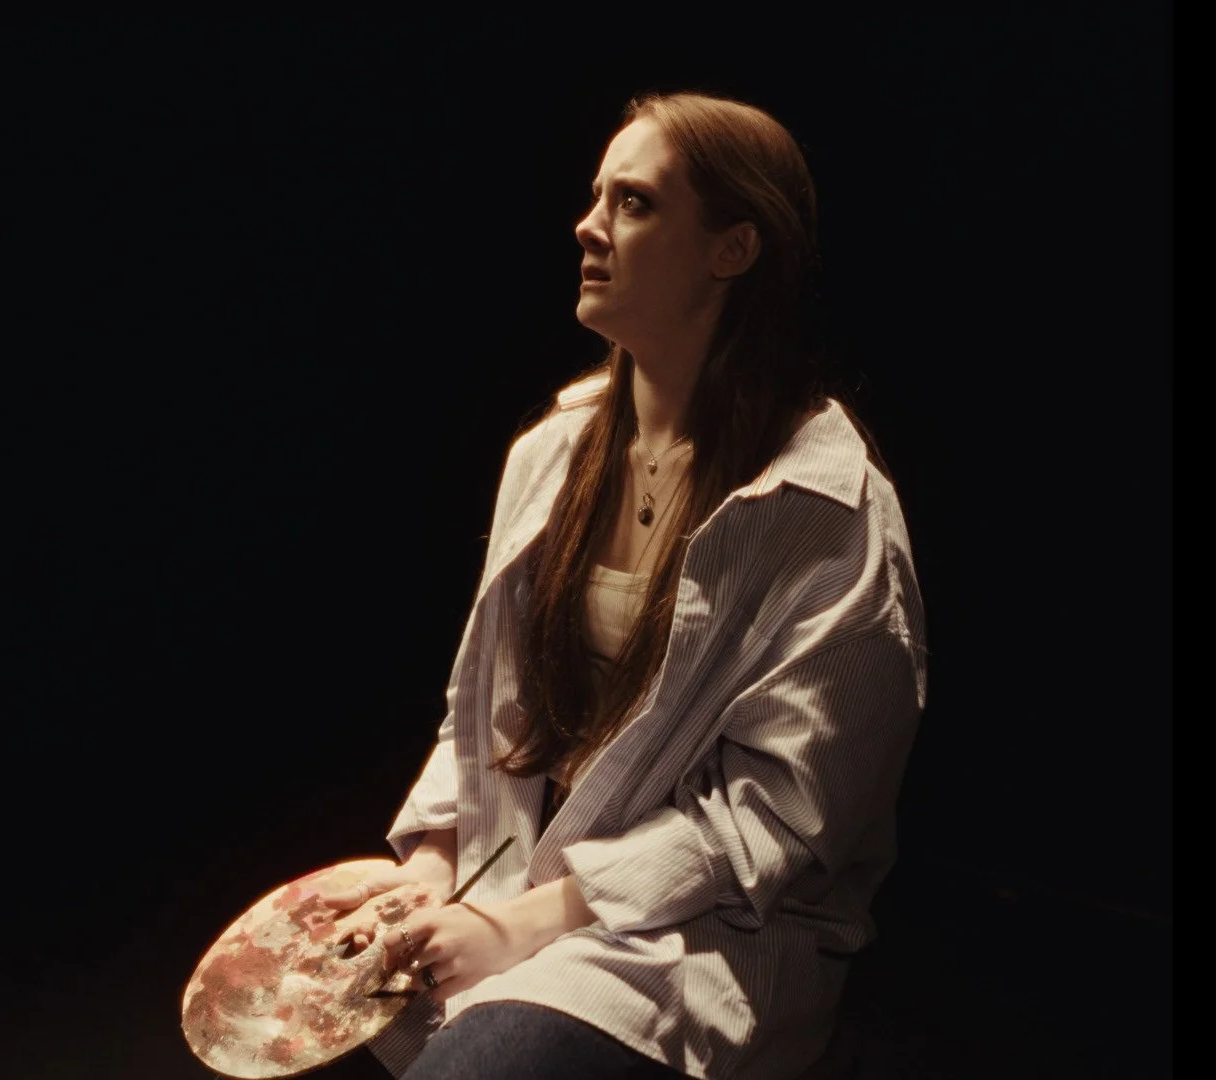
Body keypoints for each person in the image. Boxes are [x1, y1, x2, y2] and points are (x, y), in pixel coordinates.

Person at [318, 92, 928, 1079]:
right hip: (512, 878)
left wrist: (523, 924)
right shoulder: (554, 452)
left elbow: (769, 826)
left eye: (634, 202)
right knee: (301, 1006)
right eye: (596, 194)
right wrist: (430, 869)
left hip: (689, 935)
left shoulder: (824, 510)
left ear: (732, 250)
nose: (587, 224)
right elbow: (477, 716)